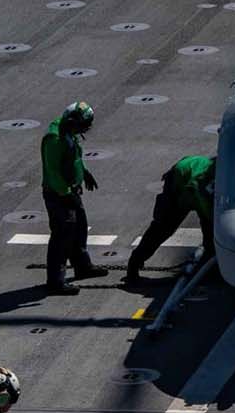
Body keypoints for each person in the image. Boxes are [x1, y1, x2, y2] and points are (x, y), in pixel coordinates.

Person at [40, 101, 107, 295]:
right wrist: (66, 194)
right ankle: (55, 282)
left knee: (79, 228)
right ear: (72, 122)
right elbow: (53, 172)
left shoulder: (69, 132)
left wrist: (84, 172)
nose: (85, 129)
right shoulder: (54, 138)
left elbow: (73, 155)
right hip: (59, 194)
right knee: (62, 236)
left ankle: (82, 266)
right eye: (83, 125)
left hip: (71, 191)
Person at [125, 155, 217, 285]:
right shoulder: (205, 180)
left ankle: (209, 266)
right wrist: (212, 217)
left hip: (194, 182)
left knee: (209, 232)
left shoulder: (220, 173)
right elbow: (197, 187)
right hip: (181, 184)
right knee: (163, 228)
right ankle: (134, 264)